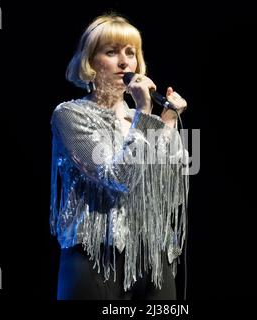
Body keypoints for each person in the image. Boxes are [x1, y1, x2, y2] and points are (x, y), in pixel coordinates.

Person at [50, 13, 189, 300]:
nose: (124, 62)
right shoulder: (70, 114)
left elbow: (168, 190)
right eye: (111, 52)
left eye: (131, 53)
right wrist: (143, 115)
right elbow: (118, 178)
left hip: (153, 257)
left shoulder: (143, 117)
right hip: (95, 255)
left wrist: (167, 124)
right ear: (90, 62)